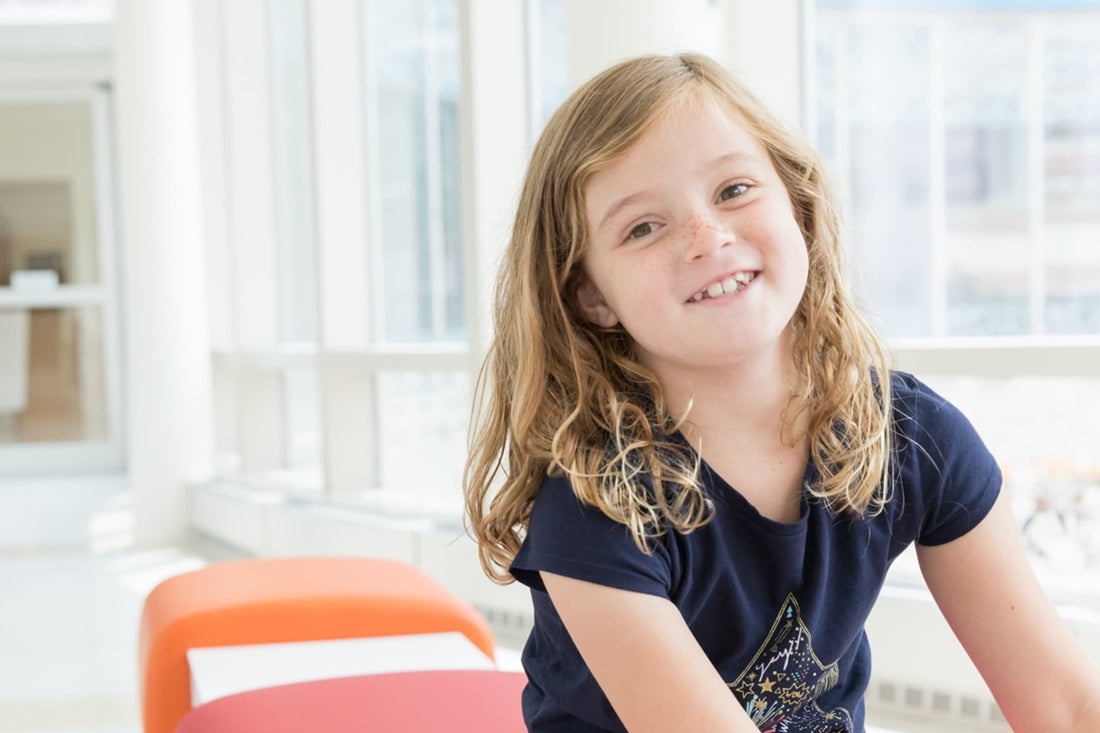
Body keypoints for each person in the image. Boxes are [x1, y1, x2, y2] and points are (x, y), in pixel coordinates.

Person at [463, 52, 1100, 733]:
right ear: (591, 296)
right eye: (643, 226)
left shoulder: (914, 438)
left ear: (796, 204)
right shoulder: (595, 506)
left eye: (733, 189)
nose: (707, 237)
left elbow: (1062, 704)